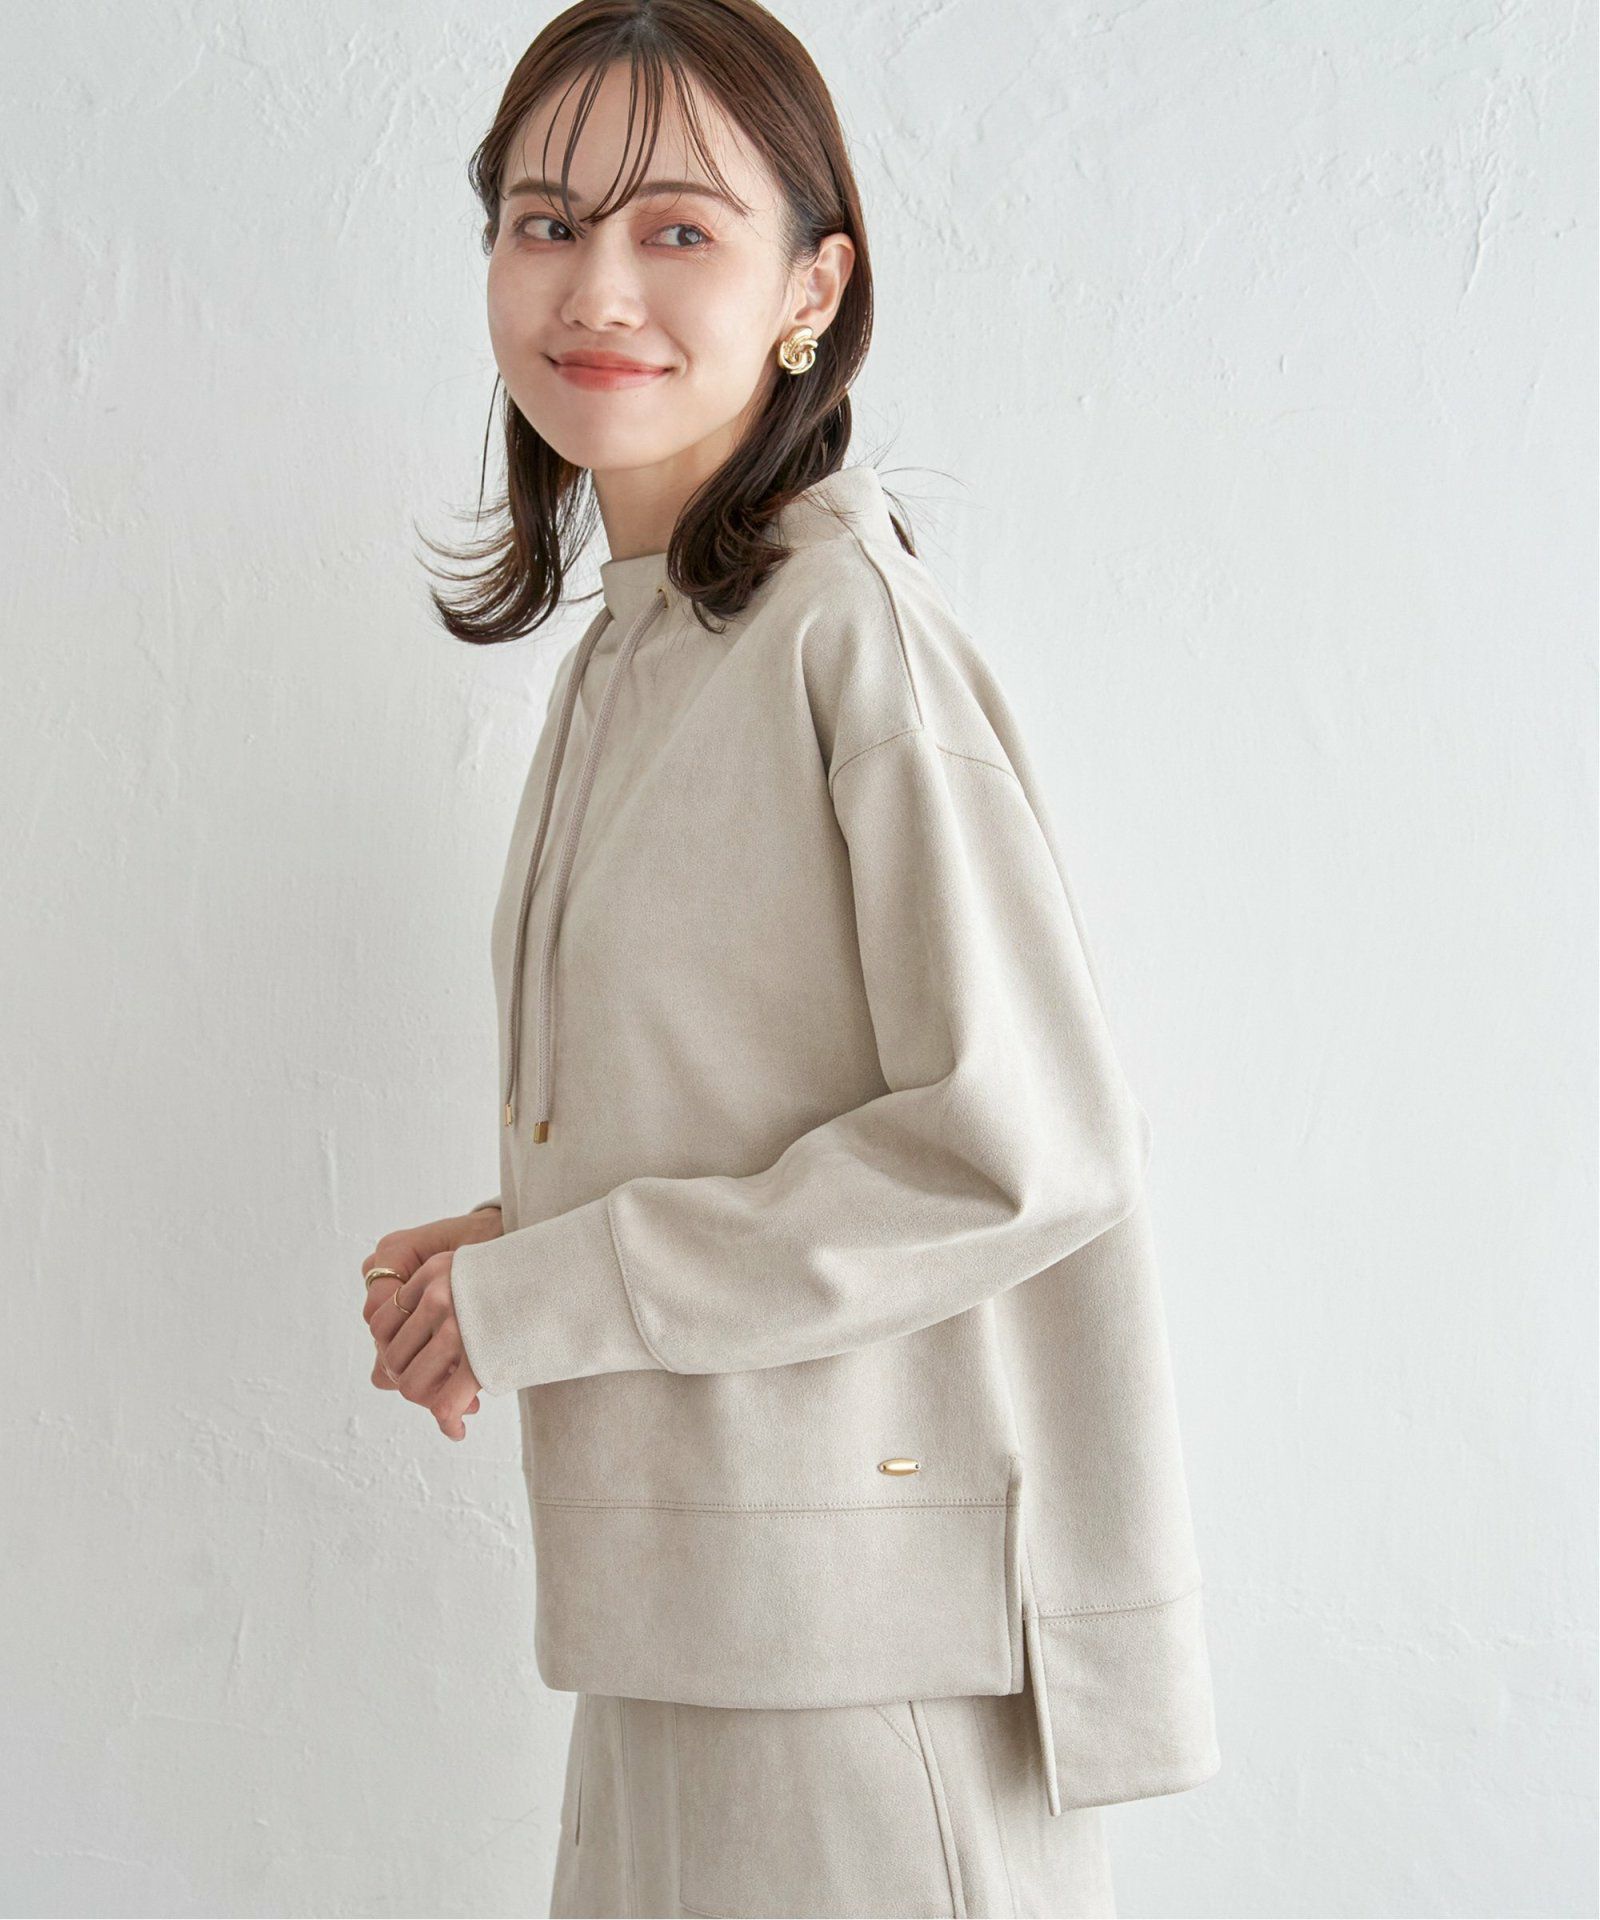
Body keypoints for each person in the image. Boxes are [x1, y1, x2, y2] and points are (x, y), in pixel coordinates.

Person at [361, 4, 1221, 1914]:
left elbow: (1026, 1149)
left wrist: (556, 1285)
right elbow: (767, 1104)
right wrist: (513, 1248)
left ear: (811, 291)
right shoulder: (641, 649)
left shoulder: (847, 636)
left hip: (859, 1676)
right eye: (544, 220)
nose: (597, 285)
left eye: (677, 228)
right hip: (687, 1628)